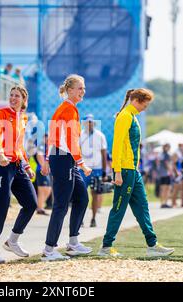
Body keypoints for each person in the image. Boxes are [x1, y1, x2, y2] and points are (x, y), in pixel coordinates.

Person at [97, 88, 174, 258]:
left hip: (133, 170)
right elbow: (116, 146)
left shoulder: (132, 117)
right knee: (119, 207)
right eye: (145, 104)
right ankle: (106, 246)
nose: (146, 108)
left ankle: (152, 244)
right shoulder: (125, 116)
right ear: (137, 100)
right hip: (124, 170)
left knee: (142, 207)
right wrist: (116, 172)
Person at [0, 85, 37, 264]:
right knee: (2, 206)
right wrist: (0, 153)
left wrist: (27, 165)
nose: (13, 98)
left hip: (17, 165)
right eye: (11, 95)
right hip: (2, 165)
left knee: (31, 203)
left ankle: (12, 241)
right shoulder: (2, 113)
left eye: (17, 96)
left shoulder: (23, 117)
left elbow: (19, 145)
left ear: (24, 100)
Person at [40, 74, 92, 261]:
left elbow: (54, 137)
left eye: (83, 88)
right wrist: (81, 163)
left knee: (82, 198)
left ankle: (73, 243)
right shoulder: (68, 109)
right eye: (79, 88)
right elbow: (69, 141)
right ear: (70, 90)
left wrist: (47, 158)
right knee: (61, 204)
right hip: (63, 158)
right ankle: (49, 249)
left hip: (63, 158)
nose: (82, 91)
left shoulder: (69, 108)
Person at [79, 113, 108, 227]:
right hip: (83, 169)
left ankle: (93, 218)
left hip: (97, 169)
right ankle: (80, 219)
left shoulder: (100, 135)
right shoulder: (80, 135)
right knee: (81, 194)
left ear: (93, 123)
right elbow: (77, 152)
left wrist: (104, 171)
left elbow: (104, 153)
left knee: (95, 194)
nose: (89, 124)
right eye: (87, 122)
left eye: (91, 122)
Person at [34, 133, 52, 216]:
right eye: (46, 138)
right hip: (41, 170)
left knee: (48, 189)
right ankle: (39, 208)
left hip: (47, 170)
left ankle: (40, 206)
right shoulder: (41, 146)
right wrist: (43, 167)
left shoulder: (47, 146)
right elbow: (39, 157)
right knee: (42, 190)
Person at [171, 142, 183, 208]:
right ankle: (173, 203)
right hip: (177, 174)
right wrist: (176, 172)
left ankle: (182, 203)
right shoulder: (176, 153)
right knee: (176, 188)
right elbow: (173, 164)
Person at [158, 143, 173, 208]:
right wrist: (171, 171)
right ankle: (165, 203)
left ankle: (162, 203)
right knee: (167, 188)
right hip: (166, 174)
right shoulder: (166, 155)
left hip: (161, 174)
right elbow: (167, 164)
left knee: (163, 189)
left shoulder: (161, 154)